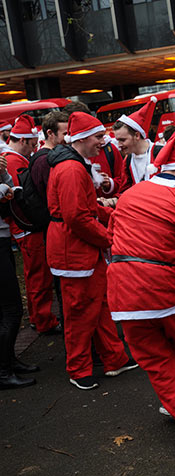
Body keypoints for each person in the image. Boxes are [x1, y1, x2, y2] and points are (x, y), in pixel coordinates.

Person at [107, 134, 175, 444]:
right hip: (163, 288)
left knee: (153, 359)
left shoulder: (131, 193)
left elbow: (112, 233)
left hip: (123, 291)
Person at [47, 112, 137, 390]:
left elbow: (83, 210)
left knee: (98, 304)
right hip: (74, 251)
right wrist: (108, 236)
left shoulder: (74, 165)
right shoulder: (73, 169)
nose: (104, 141)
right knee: (80, 312)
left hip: (77, 248)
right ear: (84, 138)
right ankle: (78, 369)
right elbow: (77, 217)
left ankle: (114, 358)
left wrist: (112, 216)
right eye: (99, 137)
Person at [3, 115, 62, 336]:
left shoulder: (12, 159)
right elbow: (21, 200)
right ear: (24, 141)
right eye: (32, 144)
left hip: (24, 229)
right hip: (28, 230)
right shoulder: (14, 162)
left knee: (34, 276)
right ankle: (43, 319)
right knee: (39, 277)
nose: (34, 148)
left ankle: (39, 317)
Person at [0, 154, 38, 389]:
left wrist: (3, 175)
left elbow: (9, 186)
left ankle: (9, 361)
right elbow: (6, 189)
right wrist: (3, 186)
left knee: (6, 310)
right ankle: (3, 372)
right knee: (11, 309)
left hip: (3, 239)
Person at [112, 97, 160, 195]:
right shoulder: (127, 161)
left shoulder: (161, 153)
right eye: (117, 140)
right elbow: (125, 191)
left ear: (137, 135)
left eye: (123, 140)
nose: (119, 145)